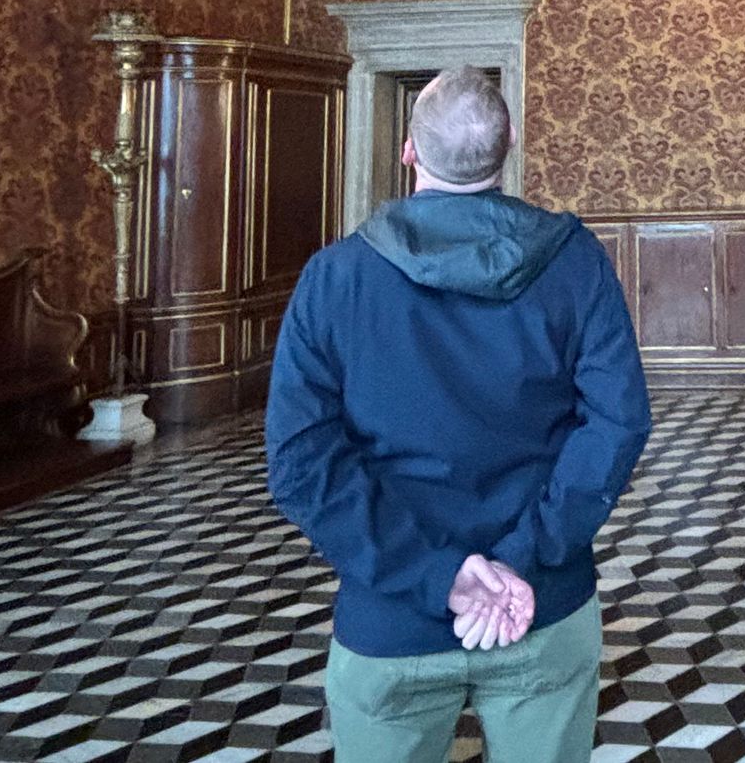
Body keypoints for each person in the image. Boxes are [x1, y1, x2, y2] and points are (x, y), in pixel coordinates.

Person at [266, 66, 652, 763]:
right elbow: (618, 422)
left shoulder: (335, 276)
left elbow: (300, 463)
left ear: (409, 150)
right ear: (510, 146)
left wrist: (439, 576)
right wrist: (521, 557)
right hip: (543, 600)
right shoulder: (575, 264)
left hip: (391, 616)